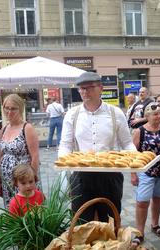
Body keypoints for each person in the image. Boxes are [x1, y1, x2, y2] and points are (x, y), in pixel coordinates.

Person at [59, 72, 135, 222]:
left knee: (110, 220)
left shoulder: (116, 113)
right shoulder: (72, 115)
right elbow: (65, 145)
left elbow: (127, 142)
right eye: (81, 88)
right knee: (82, 222)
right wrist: (64, 172)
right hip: (81, 175)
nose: (85, 92)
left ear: (101, 88)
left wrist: (134, 165)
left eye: (89, 87)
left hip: (110, 174)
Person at [131, 102, 160, 247]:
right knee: (142, 201)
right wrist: (133, 174)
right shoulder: (140, 131)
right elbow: (132, 155)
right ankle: (139, 232)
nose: (159, 116)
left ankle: (155, 225)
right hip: (146, 171)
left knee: (158, 198)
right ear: (147, 116)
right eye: (155, 114)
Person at [0, 94, 40, 207]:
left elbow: (35, 157)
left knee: (26, 210)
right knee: (12, 209)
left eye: (13, 108)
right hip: (8, 181)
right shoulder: (4, 128)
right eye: (6, 108)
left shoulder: (27, 128)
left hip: (24, 181)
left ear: (20, 109)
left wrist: (32, 181)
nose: (9, 112)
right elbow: (0, 155)